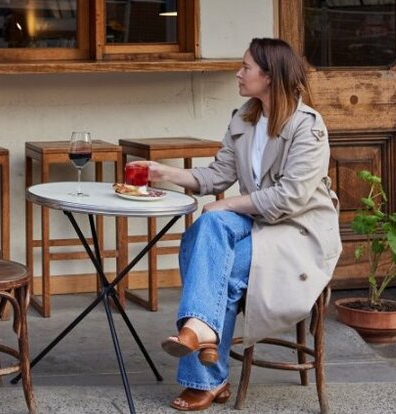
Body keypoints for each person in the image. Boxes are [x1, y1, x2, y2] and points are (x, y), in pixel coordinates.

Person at [144, 37, 342, 411]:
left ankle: (204, 365)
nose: (238, 73)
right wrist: (164, 172)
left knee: (223, 265)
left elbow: (289, 198)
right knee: (206, 230)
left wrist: (226, 204)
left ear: (269, 76)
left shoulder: (307, 128)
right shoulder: (244, 119)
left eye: (246, 67)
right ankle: (203, 337)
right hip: (257, 223)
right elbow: (218, 175)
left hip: (298, 232)